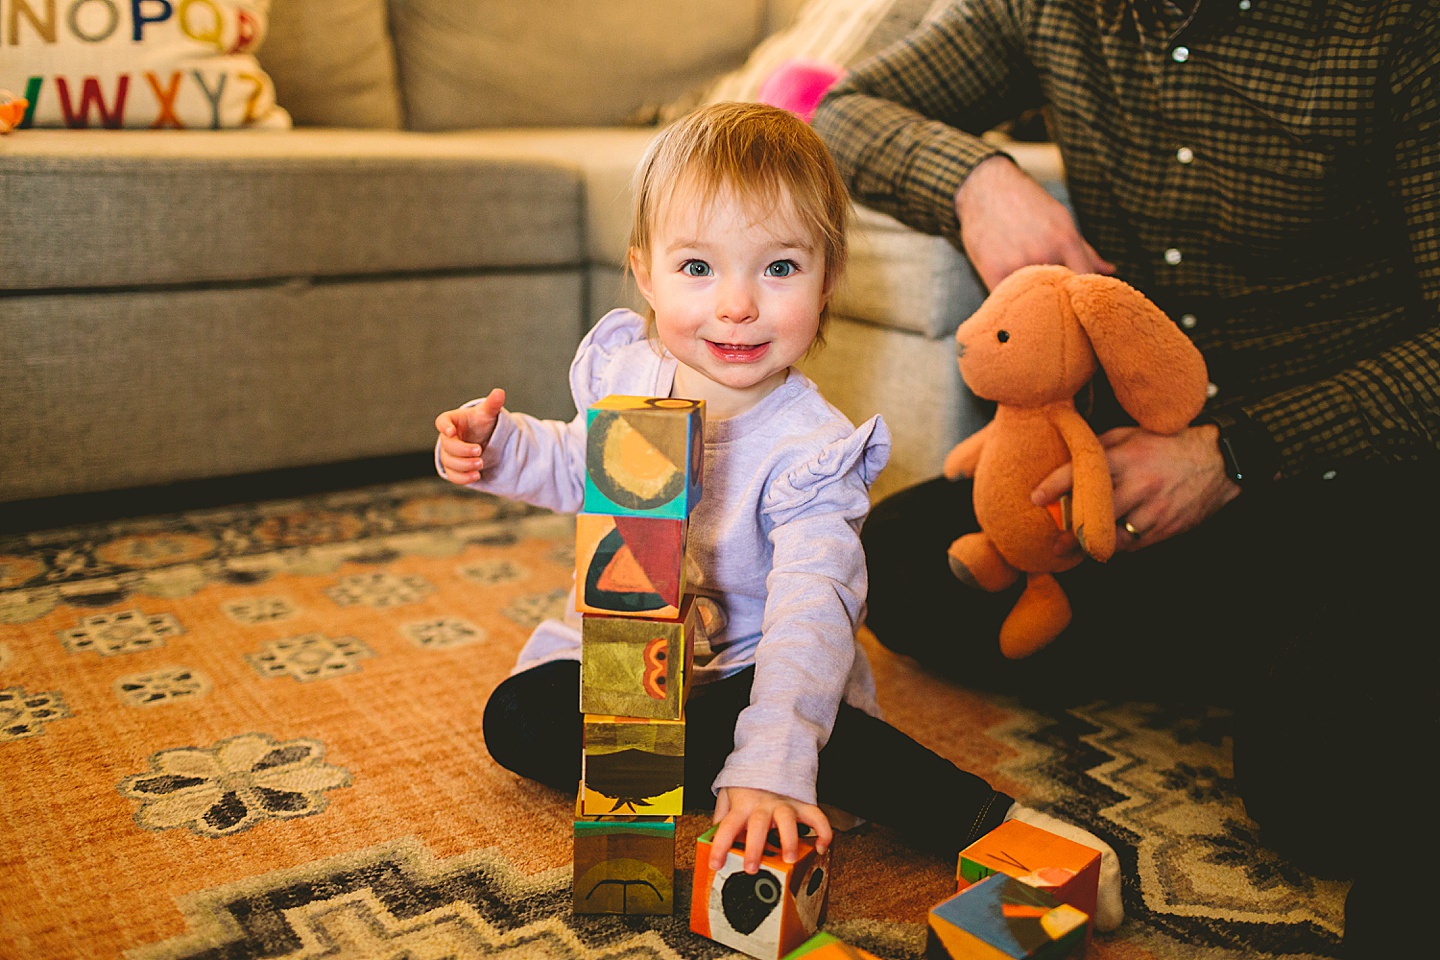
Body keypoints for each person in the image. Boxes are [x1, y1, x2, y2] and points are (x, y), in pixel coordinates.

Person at [811, 1, 1438, 954]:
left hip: (1350, 469)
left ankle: (1315, 663)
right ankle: (1289, 648)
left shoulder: (1396, 28)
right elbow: (842, 112)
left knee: (1321, 790)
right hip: (1137, 482)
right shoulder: (1045, 7)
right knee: (899, 568)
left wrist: (1234, 455)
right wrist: (978, 181)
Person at [434, 101, 1122, 926]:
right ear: (645, 271)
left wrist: (772, 757)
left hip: (762, 669)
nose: (736, 306)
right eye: (698, 268)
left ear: (828, 277)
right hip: (637, 672)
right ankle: (733, 769)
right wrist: (496, 446)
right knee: (516, 716)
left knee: (816, 737)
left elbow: (811, 609)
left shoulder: (810, 449)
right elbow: (573, 463)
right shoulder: (632, 374)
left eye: (778, 269)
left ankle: (993, 824)